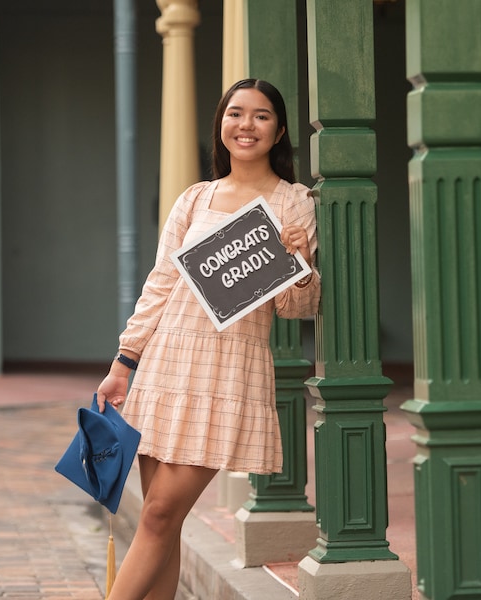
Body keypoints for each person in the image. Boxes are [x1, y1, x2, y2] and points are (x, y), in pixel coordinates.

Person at [96, 78, 320, 600]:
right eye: (235, 113)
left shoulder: (294, 204)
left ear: (279, 130)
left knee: (155, 516)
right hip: (165, 364)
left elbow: (296, 308)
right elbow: (159, 284)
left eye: (261, 116)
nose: (246, 125)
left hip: (227, 371)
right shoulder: (196, 198)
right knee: (162, 523)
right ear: (220, 125)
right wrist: (123, 362)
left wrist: (300, 263)